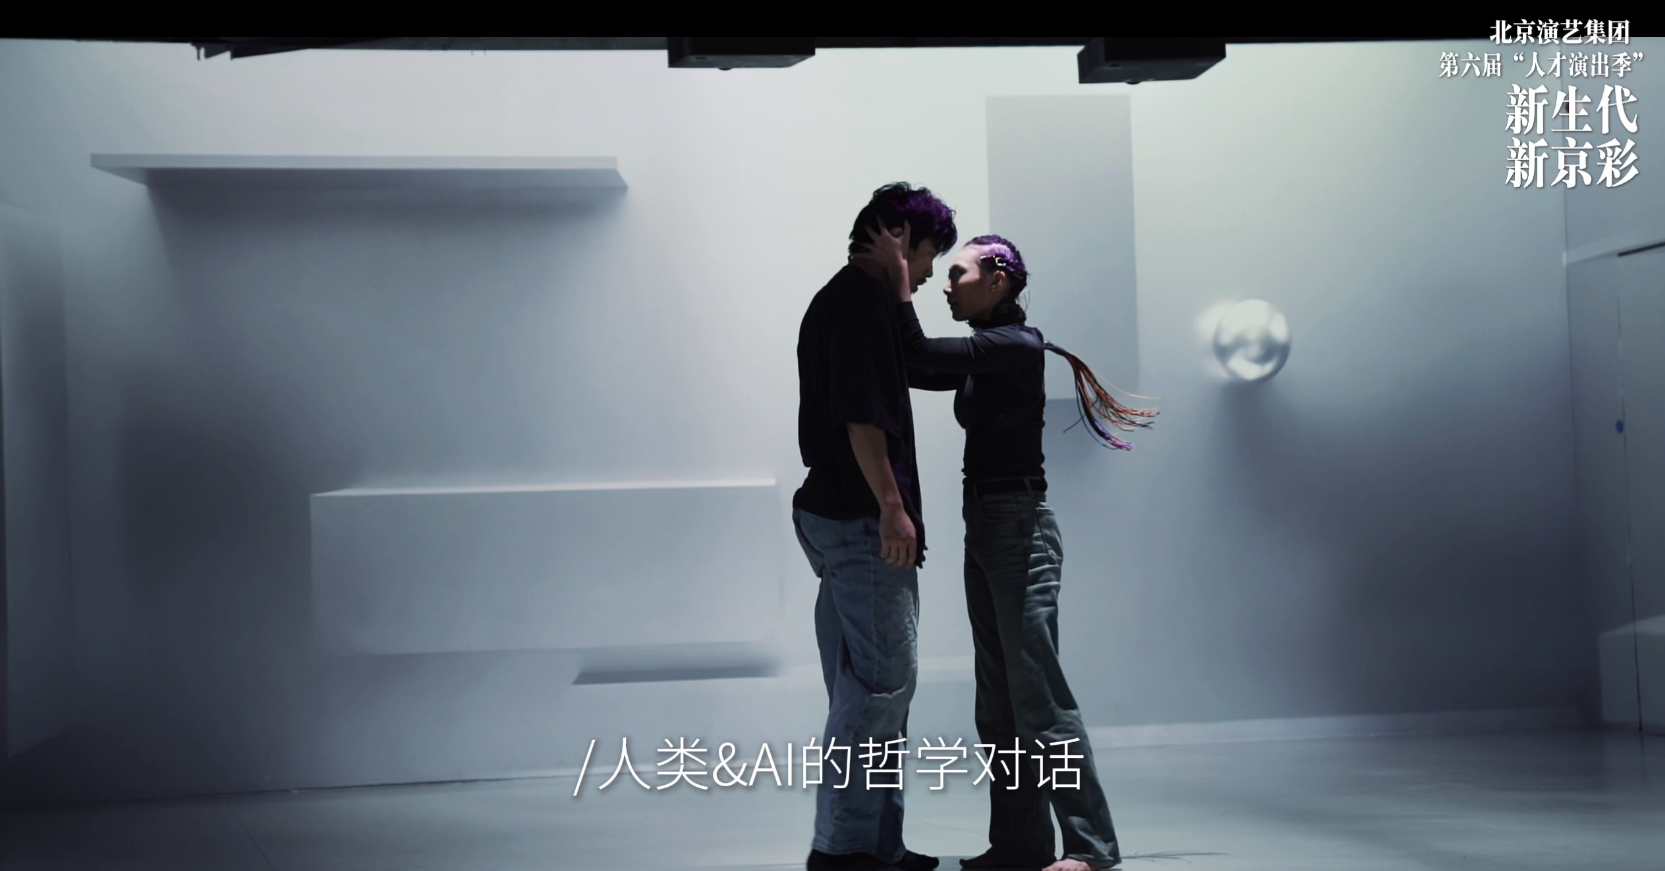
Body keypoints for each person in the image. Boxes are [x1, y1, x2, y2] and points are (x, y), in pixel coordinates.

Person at [855, 227, 1157, 871]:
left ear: (997, 281)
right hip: (988, 526)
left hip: (1019, 528)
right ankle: (1021, 846)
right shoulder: (987, 352)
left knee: (1038, 695)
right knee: (998, 703)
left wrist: (899, 280)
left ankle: (1092, 848)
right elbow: (912, 364)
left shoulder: (1016, 345)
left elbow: (917, 348)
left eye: (956, 274)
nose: (945, 285)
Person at [793, 183, 959, 871]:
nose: (927, 274)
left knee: (865, 688)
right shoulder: (859, 303)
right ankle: (843, 850)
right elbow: (863, 417)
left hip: (833, 515)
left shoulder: (847, 299)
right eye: (927, 256)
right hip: (860, 519)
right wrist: (891, 505)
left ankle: (877, 845)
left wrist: (897, 289)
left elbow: (915, 365)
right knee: (881, 688)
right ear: (899, 239)